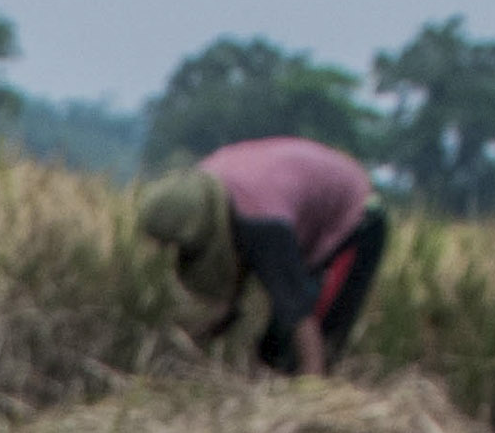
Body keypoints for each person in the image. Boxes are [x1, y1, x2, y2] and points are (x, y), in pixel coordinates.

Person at [138, 138, 389, 377]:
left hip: (357, 221)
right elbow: (240, 257)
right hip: (299, 215)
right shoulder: (211, 187)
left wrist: (313, 387)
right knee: (272, 350)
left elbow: (296, 304)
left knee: (304, 346)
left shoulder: (262, 222)